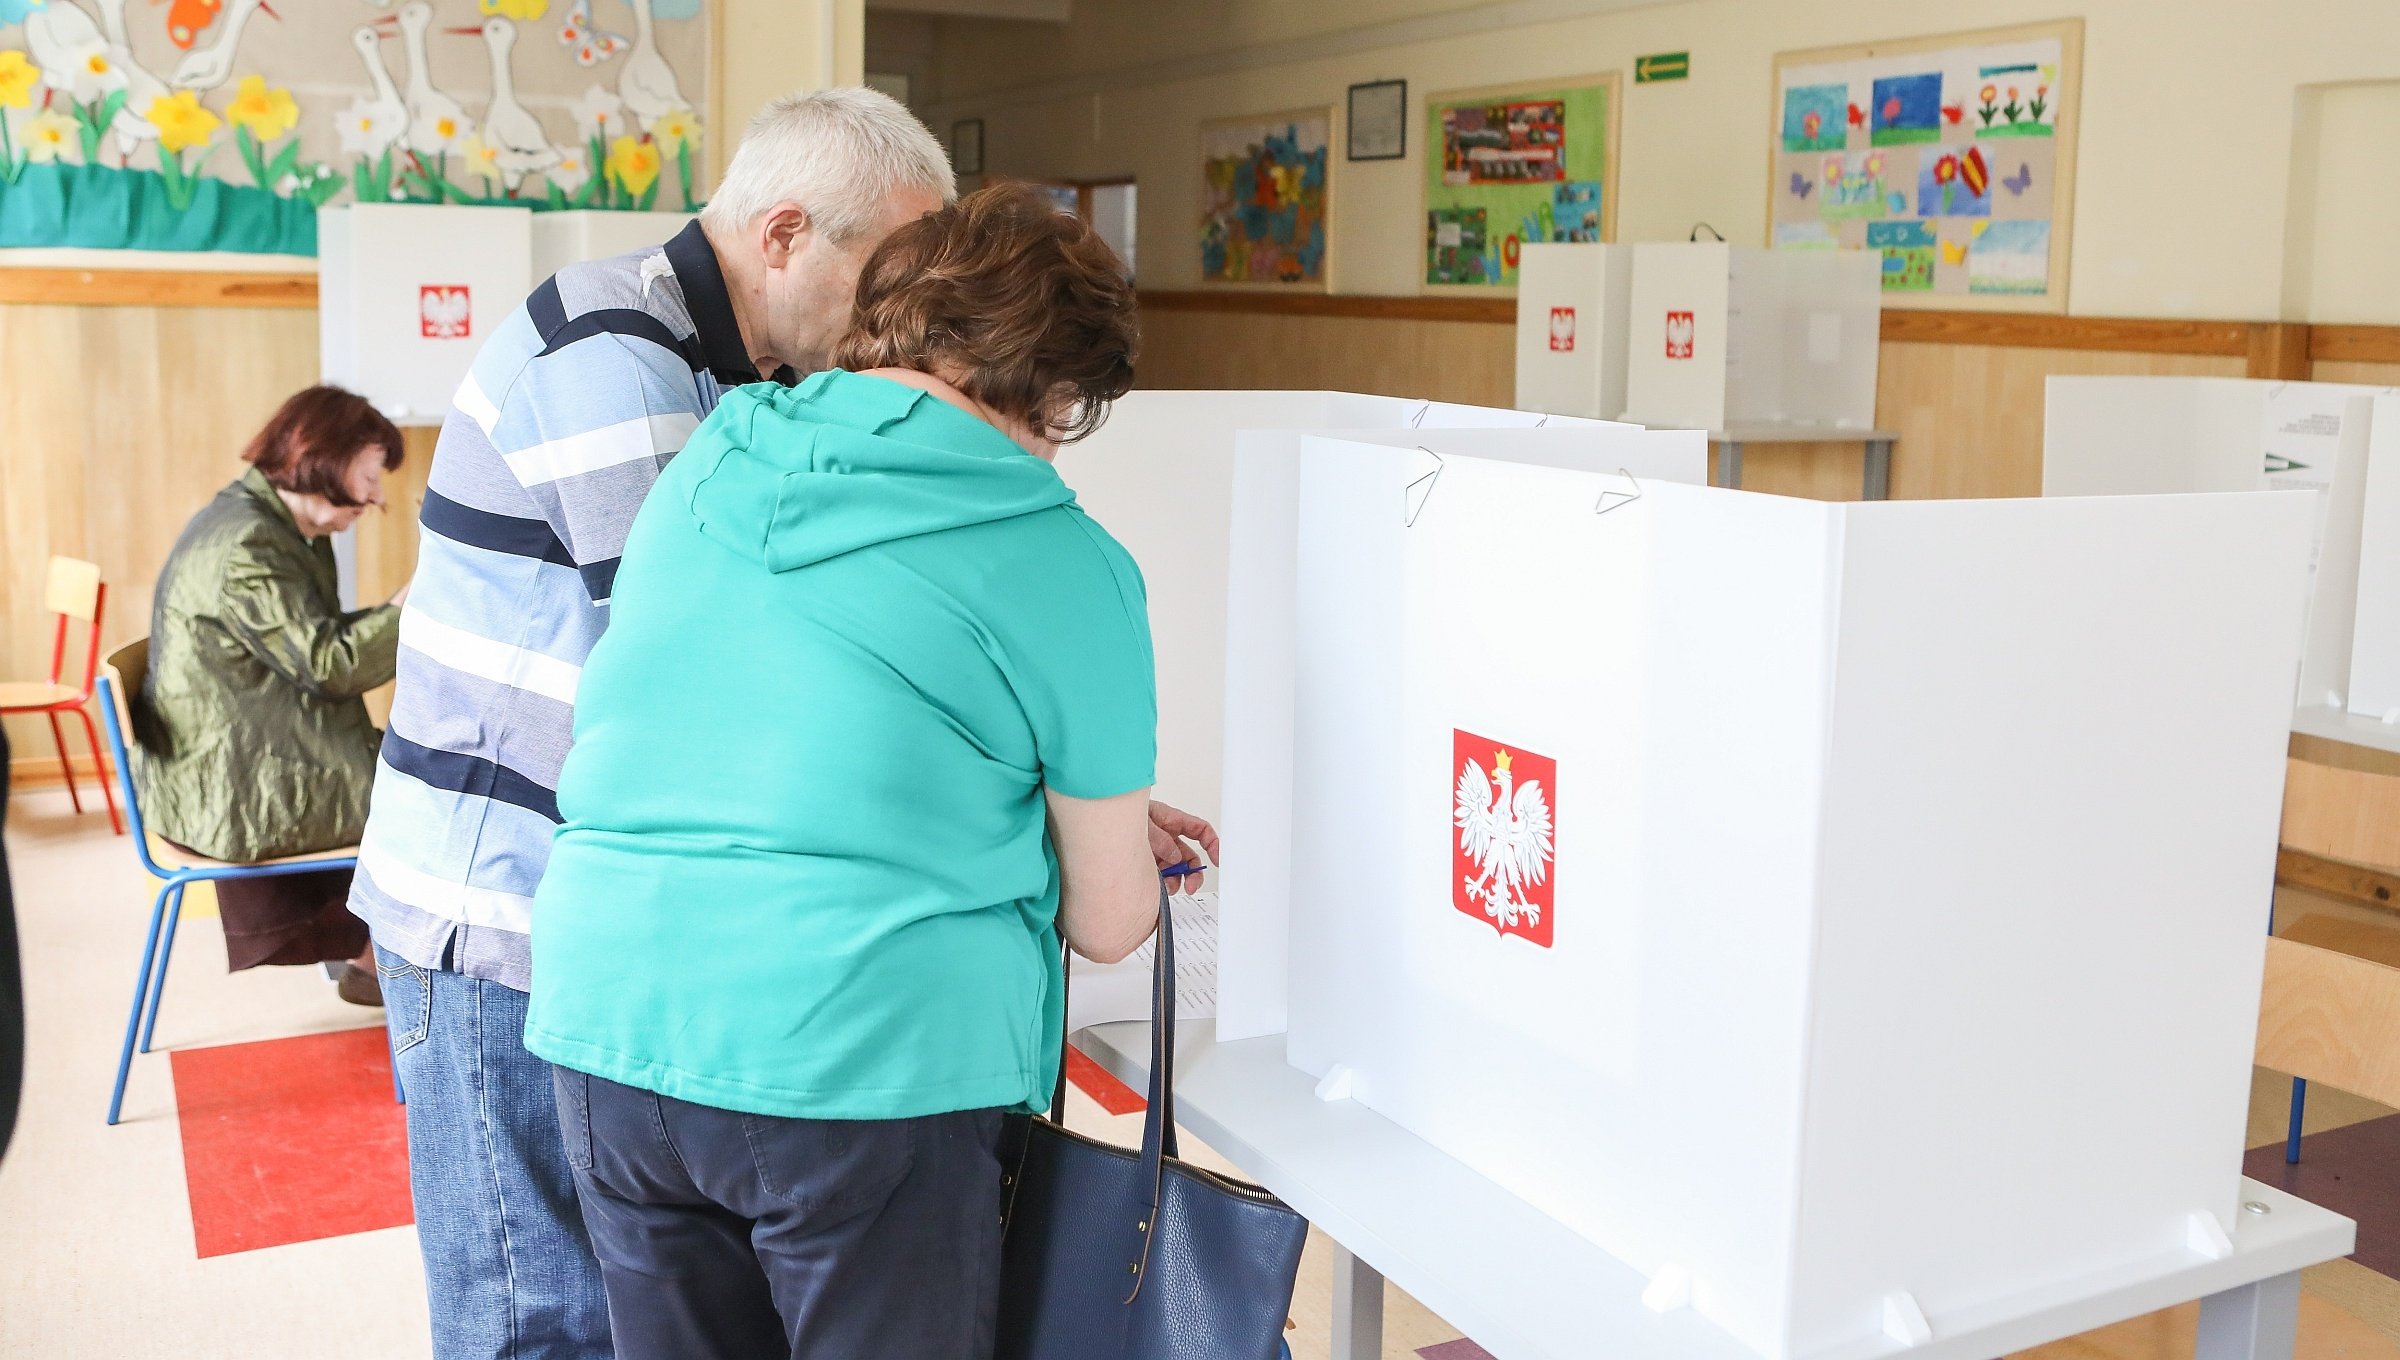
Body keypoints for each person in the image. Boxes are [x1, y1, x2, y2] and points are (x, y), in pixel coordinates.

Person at [523, 180, 1215, 1360]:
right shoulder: (1064, 555)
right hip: (859, 1055)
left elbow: (756, 714)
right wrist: (1082, 835)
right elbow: (1108, 924)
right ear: (1061, 388)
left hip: (610, 1020)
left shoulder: (714, 457)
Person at [344, 87, 958, 1360]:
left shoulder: (737, 367)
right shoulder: (612, 354)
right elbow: (723, 657)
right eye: (888, 273)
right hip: (499, 915)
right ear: (785, 234)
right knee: (538, 1324)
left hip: (600, 914)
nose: (905, 315)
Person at [139, 385, 407, 1005]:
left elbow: (315, 645)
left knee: (413, 763)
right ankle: (392, 964)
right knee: (431, 792)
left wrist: (396, 611)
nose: (376, 496)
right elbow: (328, 664)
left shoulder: (266, 525)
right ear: (324, 460)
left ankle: (371, 956)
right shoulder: (249, 545)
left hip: (229, 752)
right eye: (369, 474)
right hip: (225, 784)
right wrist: (411, 611)